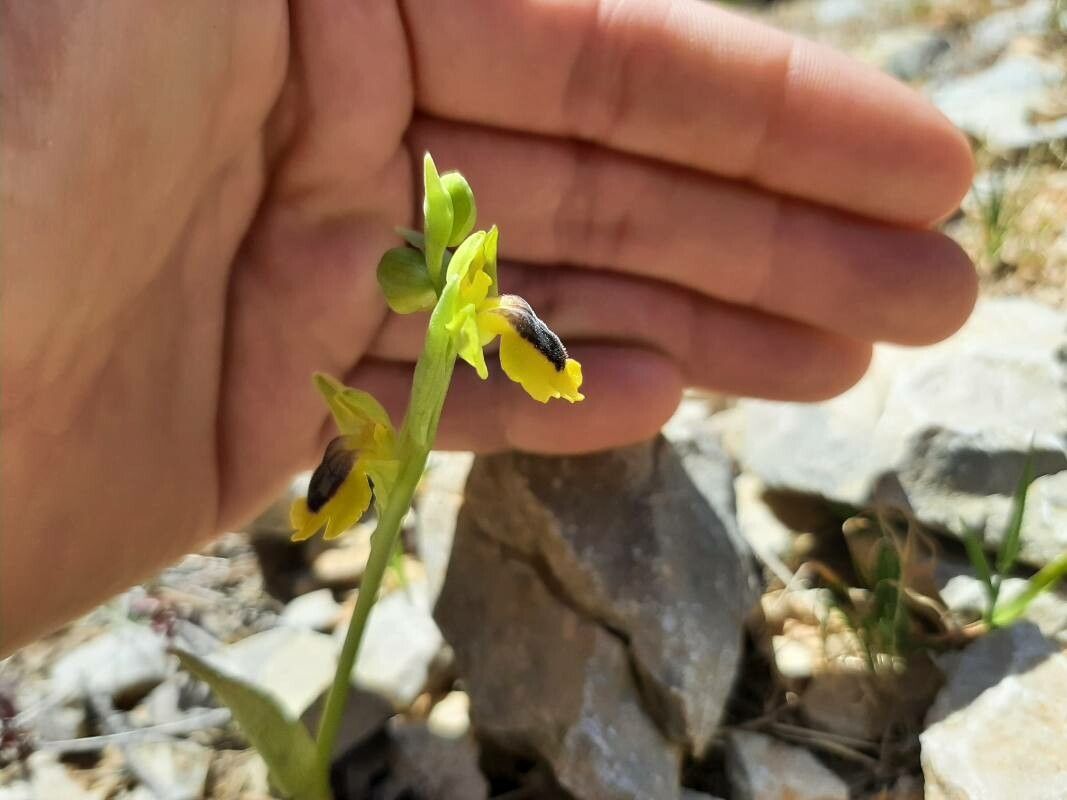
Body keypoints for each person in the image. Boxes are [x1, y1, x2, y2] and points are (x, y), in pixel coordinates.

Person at [0, 1, 977, 654]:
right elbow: (418, 315)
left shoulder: (480, 309)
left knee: (503, 347)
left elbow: (467, 314)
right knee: (374, 444)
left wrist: (491, 320)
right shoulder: (399, 360)